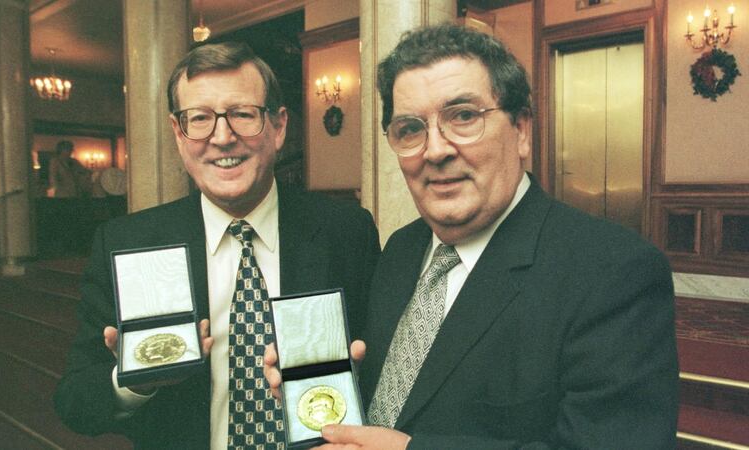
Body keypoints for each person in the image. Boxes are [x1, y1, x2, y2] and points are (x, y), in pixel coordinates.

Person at [266, 24, 678, 449]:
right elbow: (406, 399)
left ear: (521, 131)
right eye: (410, 129)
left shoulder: (612, 272)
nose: (436, 150)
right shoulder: (400, 251)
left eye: (463, 117)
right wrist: (318, 394)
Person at [54, 41, 381, 449]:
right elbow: (74, 404)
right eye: (200, 119)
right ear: (178, 133)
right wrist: (133, 380)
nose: (222, 137)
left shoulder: (345, 230)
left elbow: (385, 373)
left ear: (278, 127)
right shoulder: (129, 243)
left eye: (243, 115)